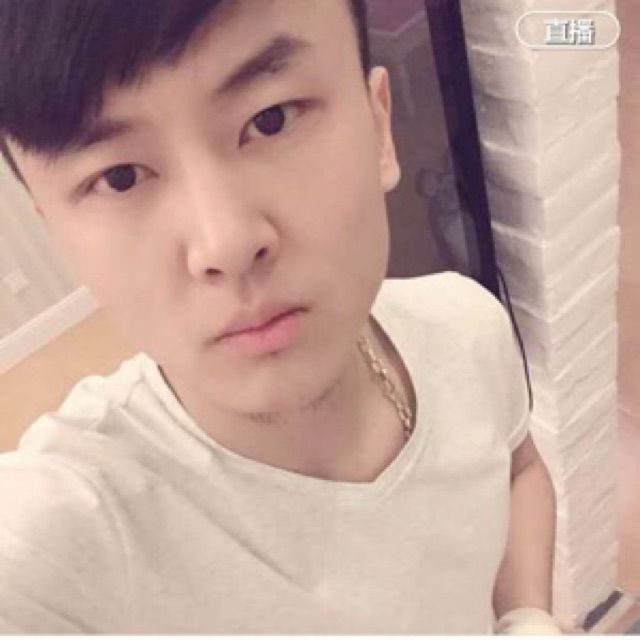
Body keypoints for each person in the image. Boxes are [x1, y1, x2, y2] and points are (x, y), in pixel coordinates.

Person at [0, 0, 560, 633]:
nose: (226, 243)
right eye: (121, 177)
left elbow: (519, 469)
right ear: (60, 238)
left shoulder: (467, 324)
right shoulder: (66, 537)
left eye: (271, 120)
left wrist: (528, 618)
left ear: (379, 126)